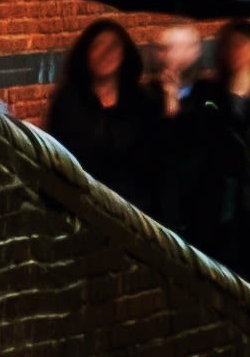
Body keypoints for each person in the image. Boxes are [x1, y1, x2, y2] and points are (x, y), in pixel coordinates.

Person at [161, 20, 250, 302]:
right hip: (216, 206)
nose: (236, 52)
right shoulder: (208, 93)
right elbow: (186, 144)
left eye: (242, 44)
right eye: (229, 45)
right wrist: (173, 107)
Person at [42, 20, 175, 231]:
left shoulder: (141, 101)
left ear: (124, 54)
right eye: (97, 46)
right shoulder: (68, 102)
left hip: (136, 215)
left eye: (113, 46)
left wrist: (169, 107)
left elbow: (158, 158)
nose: (105, 53)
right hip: (84, 215)